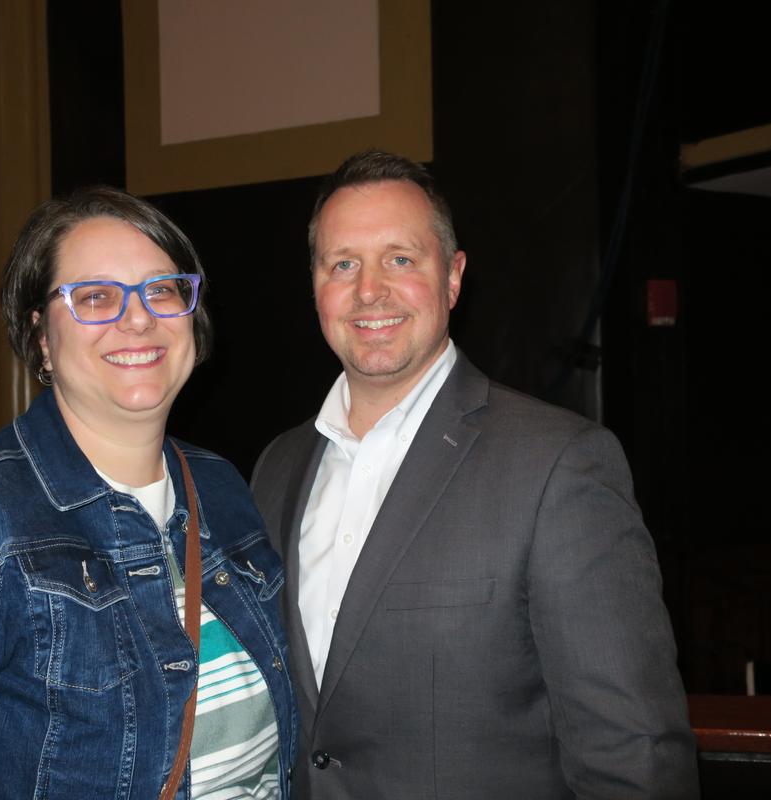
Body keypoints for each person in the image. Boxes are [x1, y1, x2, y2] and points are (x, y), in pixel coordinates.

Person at [0, 186, 297, 798]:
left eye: (161, 289)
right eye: (95, 296)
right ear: (41, 337)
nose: (138, 317)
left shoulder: (222, 487)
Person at [251, 151, 698, 799]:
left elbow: (633, 754)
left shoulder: (558, 466)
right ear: (315, 285)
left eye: (400, 259)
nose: (369, 289)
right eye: (342, 263)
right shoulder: (276, 467)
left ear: (453, 278)